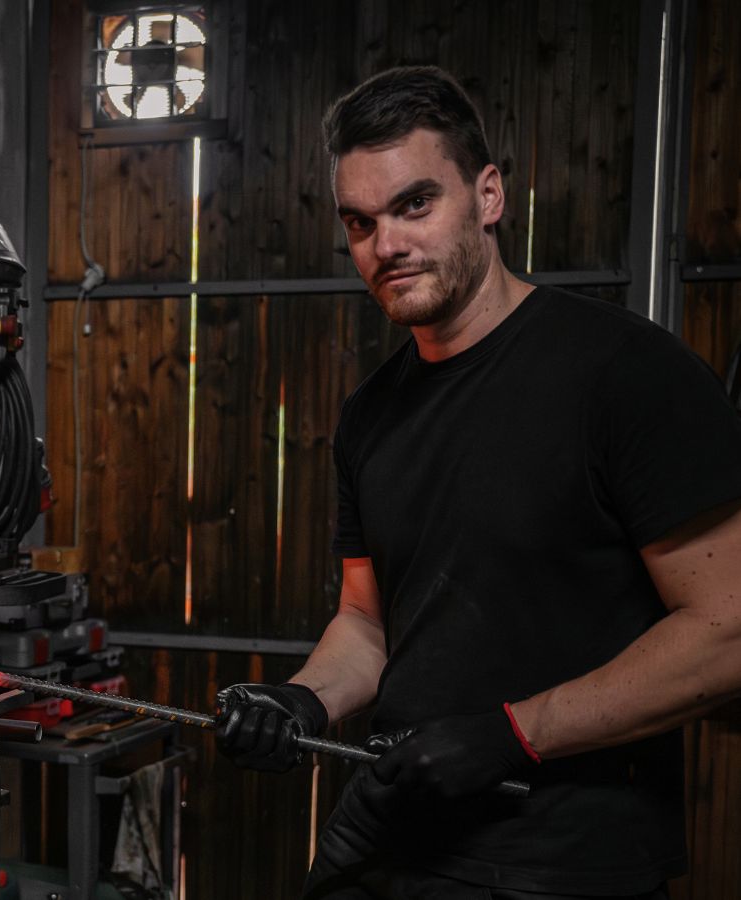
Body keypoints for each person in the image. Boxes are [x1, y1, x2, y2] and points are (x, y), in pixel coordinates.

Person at [215, 66, 741, 899]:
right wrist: (302, 703)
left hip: (561, 863)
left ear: (488, 195)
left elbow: (727, 630)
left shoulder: (629, 375)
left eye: (415, 204)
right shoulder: (370, 415)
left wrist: (513, 735)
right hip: (397, 834)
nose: (385, 246)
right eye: (361, 222)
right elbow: (369, 623)